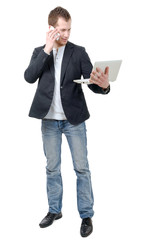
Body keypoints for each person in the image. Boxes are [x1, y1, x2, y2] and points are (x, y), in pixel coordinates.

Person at [24, 6, 110, 238]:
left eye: (69, 29)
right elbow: (29, 77)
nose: (67, 34)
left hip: (74, 120)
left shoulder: (79, 52)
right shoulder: (39, 51)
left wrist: (103, 86)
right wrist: (47, 49)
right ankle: (54, 211)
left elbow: (91, 82)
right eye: (62, 29)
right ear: (51, 29)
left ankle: (86, 215)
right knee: (52, 168)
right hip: (49, 122)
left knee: (82, 168)